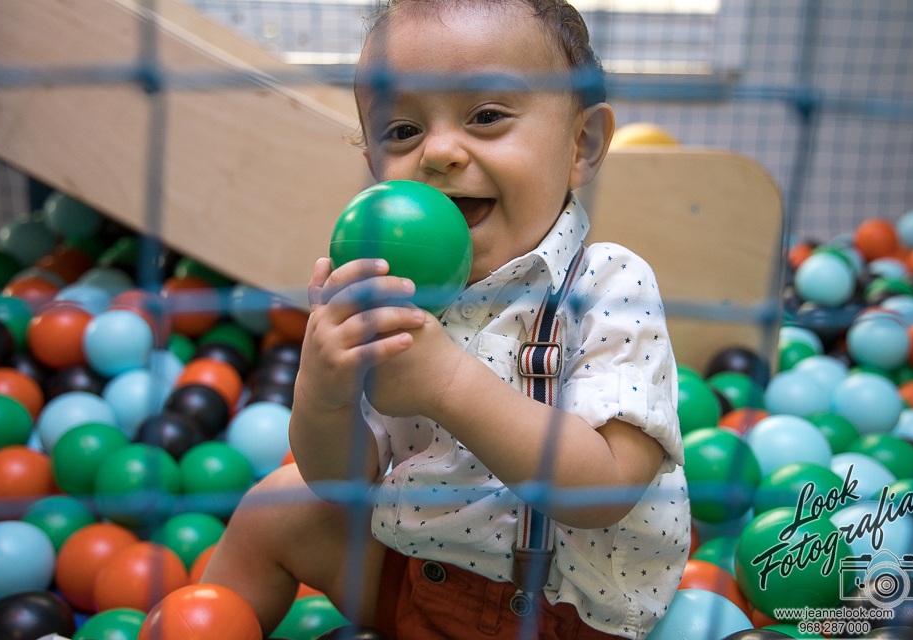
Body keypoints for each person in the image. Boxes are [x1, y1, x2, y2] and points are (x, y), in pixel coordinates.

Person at [201, 0, 691, 638]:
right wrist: (324, 393)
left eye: (486, 116)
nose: (437, 152)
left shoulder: (608, 287)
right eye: (401, 131)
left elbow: (602, 490)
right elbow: (342, 482)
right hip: (420, 578)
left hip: (557, 614)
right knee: (277, 505)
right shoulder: (393, 295)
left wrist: (449, 385)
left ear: (582, 145)